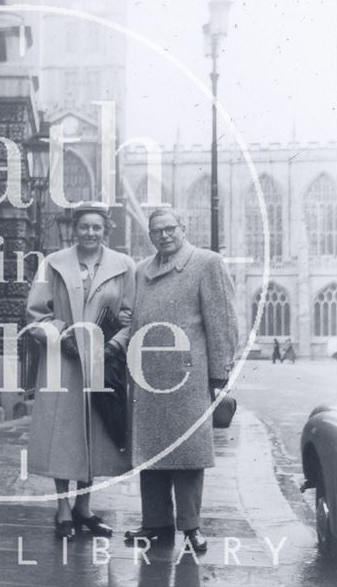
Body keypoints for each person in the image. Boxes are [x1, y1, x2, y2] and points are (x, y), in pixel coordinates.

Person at [124, 208, 238, 553]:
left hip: (189, 378)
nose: (164, 236)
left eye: (170, 228)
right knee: (150, 453)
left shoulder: (207, 263)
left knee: (188, 455)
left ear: (183, 228)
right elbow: (133, 320)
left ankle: (191, 527)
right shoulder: (142, 270)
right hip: (147, 378)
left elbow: (221, 321)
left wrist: (219, 374)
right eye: (156, 231)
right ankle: (155, 524)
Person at [25, 202, 136, 540]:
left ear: (106, 230)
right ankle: (62, 510)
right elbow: (35, 315)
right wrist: (62, 335)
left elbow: (132, 316)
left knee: (95, 437)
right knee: (63, 436)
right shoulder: (53, 263)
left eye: (96, 228)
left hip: (103, 363)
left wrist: (113, 345)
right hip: (63, 362)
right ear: (75, 229)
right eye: (84, 227)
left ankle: (83, 508)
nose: (90, 233)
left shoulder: (124, 266)